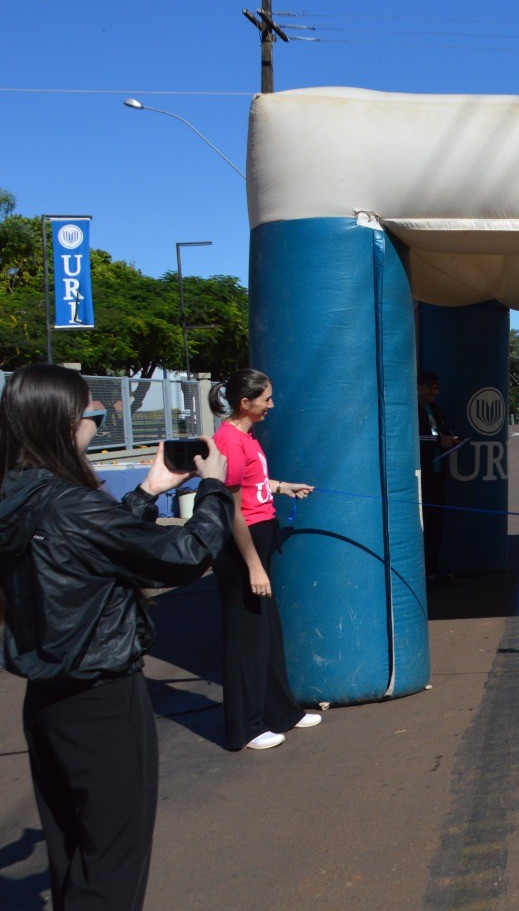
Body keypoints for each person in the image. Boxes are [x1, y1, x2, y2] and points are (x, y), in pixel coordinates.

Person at [0, 363, 233, 909]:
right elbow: (181, 556)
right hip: (100, 698)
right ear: (63, 423)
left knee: (71, 849)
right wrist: (217, 489)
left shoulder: (18, 497)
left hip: (48, 699)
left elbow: (90, 554)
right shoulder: (71, 504)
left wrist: (148, 492)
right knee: (112, 859)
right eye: (94, 414)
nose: (98, 425)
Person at [210, 369, 320, 750]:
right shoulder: (227, 441)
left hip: (260, 534)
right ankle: (248, 726)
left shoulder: (246, 436)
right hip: (241, 545)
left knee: (268, 632)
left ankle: (281, 711)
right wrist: (253, 564)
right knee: (246, 640)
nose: (272, 405)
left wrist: (282, 487)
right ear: (245, 402)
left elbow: (253, 483)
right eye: (266, 399)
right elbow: (232, 509)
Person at [418, 371, 461, 586]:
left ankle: (433, 571)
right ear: (418, 388)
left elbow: (443, 433)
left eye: (436, 387)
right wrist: (438, 441)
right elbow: (414, 438)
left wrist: (452, 440)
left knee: (437, 527)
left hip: (438, 475)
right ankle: (424, 575)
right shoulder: (412, 410)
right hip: (421, 477)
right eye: (429, 387)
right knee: (424, 529)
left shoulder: (437, 410)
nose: (434, 392)